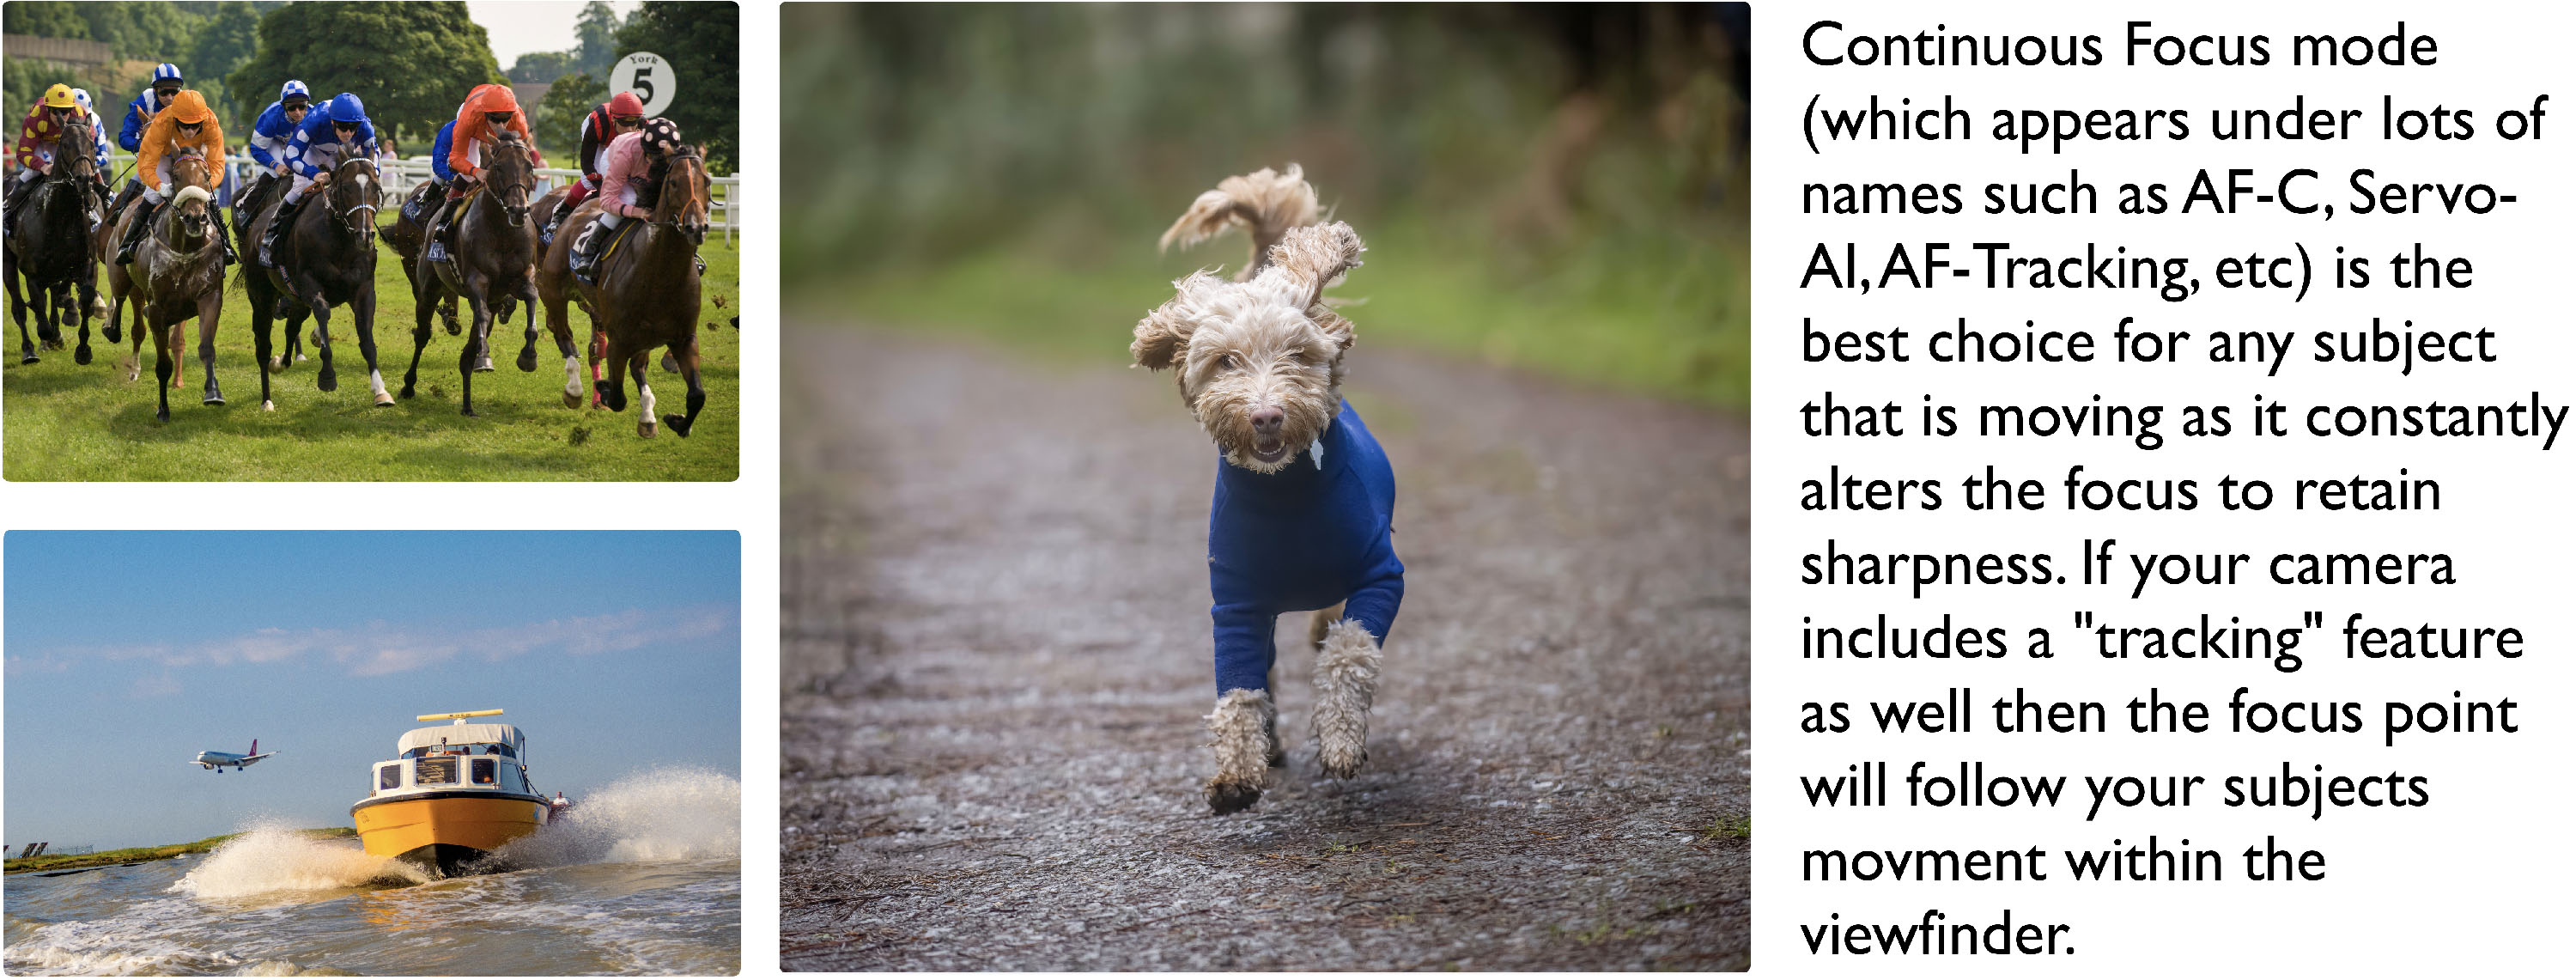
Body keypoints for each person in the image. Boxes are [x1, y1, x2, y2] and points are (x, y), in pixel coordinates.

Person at [422, 83, 546, 264]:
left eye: (506, 119)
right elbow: (455, 158)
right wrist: (476, 171)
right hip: (473, 122)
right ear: (486, 114)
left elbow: (522, 157)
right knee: (468, 175)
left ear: (512, 114)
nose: (501, 124)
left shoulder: (518, 120)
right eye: (495, 119)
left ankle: (523, 211)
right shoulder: (469, 118)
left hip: (491, 107)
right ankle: (442, 227)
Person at [116, 88, 232, 266]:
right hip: (165, 153)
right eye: (185, 125)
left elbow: (217, 165)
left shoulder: (211, 123)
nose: (191, 131)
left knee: (210, 198)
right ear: (175, 119)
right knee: (153, 195)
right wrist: (158, 185)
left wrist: (206, 188)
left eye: (195, 126)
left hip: (195, 158)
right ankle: (127, 244)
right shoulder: (162, 123)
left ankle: (226, 245)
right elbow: (146, 166)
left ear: (203, 120)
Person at [261, 92, 378, 267]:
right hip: (313, 151)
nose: (348, 132)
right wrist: (312, 174)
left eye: (353, 128)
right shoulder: (314, 120)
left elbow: (374, 157)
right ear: (332, 121)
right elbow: (291, 155)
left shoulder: (366, 127)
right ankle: (272, 230)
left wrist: (373, 178)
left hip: (342, 153)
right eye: (343, 127)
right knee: (300, 188)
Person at [568, 117, 683, 285]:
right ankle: (589, 254)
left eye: (661, 160)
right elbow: (607, 202)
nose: (654, 165)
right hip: (613, 159)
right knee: (630, 199)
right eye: (651, 157)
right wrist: (638, 212)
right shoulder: (625, 154)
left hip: (637, 164)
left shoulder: (676, 157)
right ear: (644, 149)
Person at [544, 90, 644, 243]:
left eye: (633, 122)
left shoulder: (644, 127)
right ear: (614, 120)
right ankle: (561, 214)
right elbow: (586, 163)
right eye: (624, 123)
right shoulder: (599, 123)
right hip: (599, 135)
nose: (630, 129)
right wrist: (602, 186)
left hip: (613, 138)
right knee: (589, 179)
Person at [108, 63, 185, 220]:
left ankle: (223, 238)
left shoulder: (188, 101)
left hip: (183, 157)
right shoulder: (144, 100)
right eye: (164, 92)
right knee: (140, 182)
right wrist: (144, 146)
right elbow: (125, 137)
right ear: (155, 90)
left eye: (174, 91)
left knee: (208, 195)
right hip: (156, 160)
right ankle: (122, 219)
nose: (170, 97)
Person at [5, 84, 87, 229]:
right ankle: (8, 208)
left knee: (75, 171)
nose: (60, 116)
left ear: (72, 110)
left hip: (63, 141)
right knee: (33, 172)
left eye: (65, 111)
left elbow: (87, 143)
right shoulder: (37, 115)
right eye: (55, 112)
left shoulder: (79, 115)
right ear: (48, 109)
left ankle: (89, 211)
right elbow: (23, 153)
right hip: (41, 139)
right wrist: (43, 166)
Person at [240, 81, 313, 222]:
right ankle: (248, 208)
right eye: (292, 107)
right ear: (284, 107)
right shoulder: (270, 118)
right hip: (275, 141)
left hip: (298, 143)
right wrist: (275, 165)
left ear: (307, 105)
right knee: (277, 170)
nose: (297, 112)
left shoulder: (314, 116)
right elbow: (256, 149)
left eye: (302, 106)